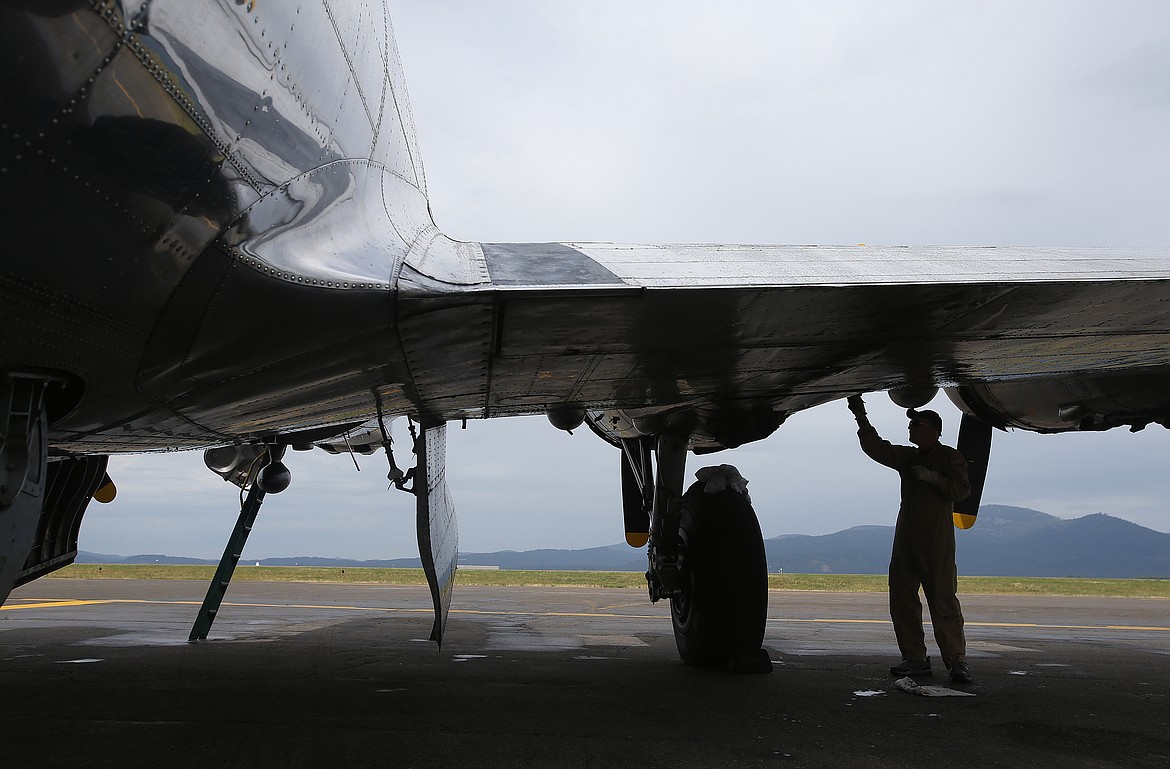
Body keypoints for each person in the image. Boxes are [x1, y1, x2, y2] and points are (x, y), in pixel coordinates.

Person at [846, 395, 973, 684]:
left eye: (916, 424)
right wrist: (861, 417)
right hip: (906, 538)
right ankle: (914, 659)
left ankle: (957, 661)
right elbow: (877, 448)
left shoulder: (950, 458)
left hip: (935, 540)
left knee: (942, 599)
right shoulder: (909, 457)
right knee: (902, 598)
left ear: (933, 430)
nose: (911, 428)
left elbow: (962, 491)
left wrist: (932, 478)